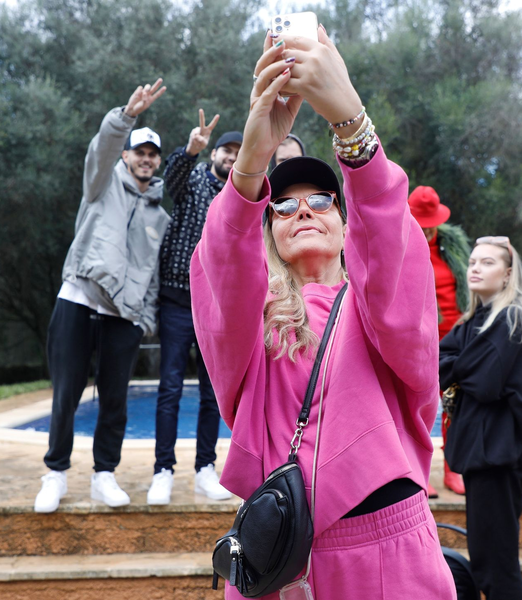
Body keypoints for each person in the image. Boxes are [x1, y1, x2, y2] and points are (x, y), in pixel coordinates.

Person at [190, 28, 456, 600]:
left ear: (344, 222)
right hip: (281, 557)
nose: (302, 209)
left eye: (321, 199)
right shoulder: (252, 322)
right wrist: (253, 158)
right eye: (283, 204)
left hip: (387, 550)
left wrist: (351, 123)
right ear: (268, 230)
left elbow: (391, 248)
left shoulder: (375, 303)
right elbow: (219, 267)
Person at [34, 80, 169, 513]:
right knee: (66, 393)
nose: (145, 160)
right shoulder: (101, 183)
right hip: (78, 299)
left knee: (114, 399)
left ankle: (103, 476)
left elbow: (151, 275)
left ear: (157, 163)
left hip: (123, 317)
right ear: (126, 156)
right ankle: (54, 473)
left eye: (153, 155)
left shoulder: (159, 215)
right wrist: (124, 118)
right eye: (139, 152)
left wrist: (143, 318)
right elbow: (101, 149)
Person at [439, 236, 522, 600]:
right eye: (472, 261)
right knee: (484, 559)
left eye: (487, 262)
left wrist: (457, 367)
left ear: (508, 274)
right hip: (479, 452)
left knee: (498, 566)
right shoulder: (473, 321)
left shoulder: (514, 316)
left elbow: (484, 383)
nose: (475, 268)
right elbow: (438, 365)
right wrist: (460, 366)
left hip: (500, 454)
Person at [147, 111, 242, 504]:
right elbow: (171, 180)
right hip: (177, 299)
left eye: (239, 153)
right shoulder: (196, 180)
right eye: (227, 151)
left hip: (218, 307)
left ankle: (206, 468)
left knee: (210, 394)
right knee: (169, 387)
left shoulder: (241, 193)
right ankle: (163, 471)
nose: (232, 159)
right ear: (215, 153)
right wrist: (190, 151)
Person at [408, 185, 470, 496]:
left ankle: (453, 468)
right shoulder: (400, 242)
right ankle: (420, 472)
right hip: (418, 337)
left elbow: (469, 286)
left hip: (455, 337)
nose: (427, 228)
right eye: (422, 221)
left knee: (454, 402)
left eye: (431, 222)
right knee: (418, 404)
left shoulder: (454, 247)